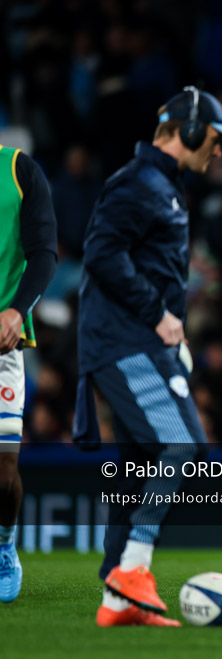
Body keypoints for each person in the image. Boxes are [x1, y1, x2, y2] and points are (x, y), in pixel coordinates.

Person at [74, 86, 222, 626]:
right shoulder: (139, 184)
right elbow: (101, 254)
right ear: (188, 131)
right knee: (181, 444)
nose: (217, 151)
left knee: (138, 465)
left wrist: (171, 327)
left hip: (138, 340)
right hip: (128, 343)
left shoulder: (159, 185)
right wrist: (158, 316)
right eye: (214, 140)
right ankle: (133, 568)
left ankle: (118, 600)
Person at [0, 147, 58, 603]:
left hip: (2, 340)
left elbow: (44, 253)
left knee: (3, 470)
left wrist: (17, 310)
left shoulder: (19, 169)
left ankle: (4, 545)